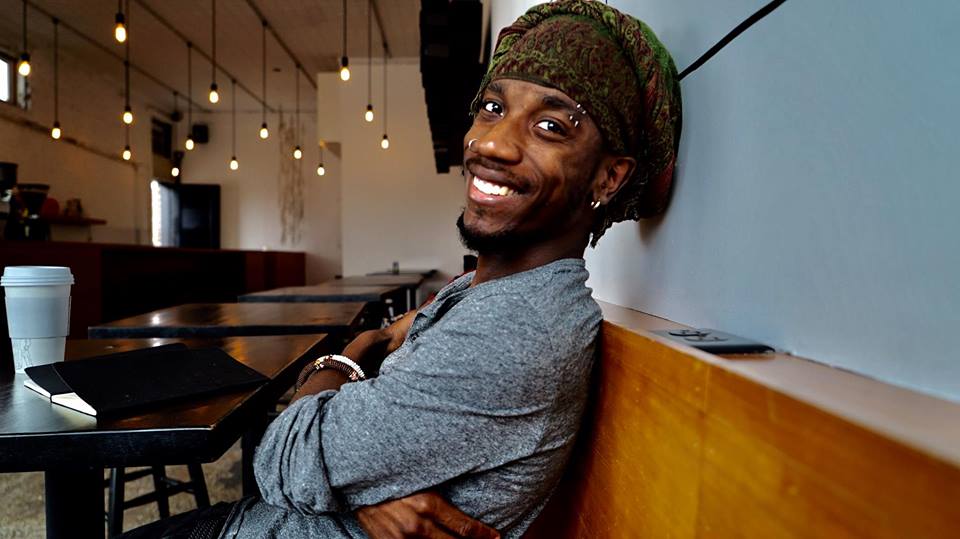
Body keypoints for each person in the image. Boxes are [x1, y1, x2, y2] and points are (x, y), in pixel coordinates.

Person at [121, 1, 680, 537]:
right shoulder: (488, 292)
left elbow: (277, 460)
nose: (491, 142)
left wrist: (344, 358)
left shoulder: (513, 329)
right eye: (493, 107)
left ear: (609, 178)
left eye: (552, 127)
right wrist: (358, 483)